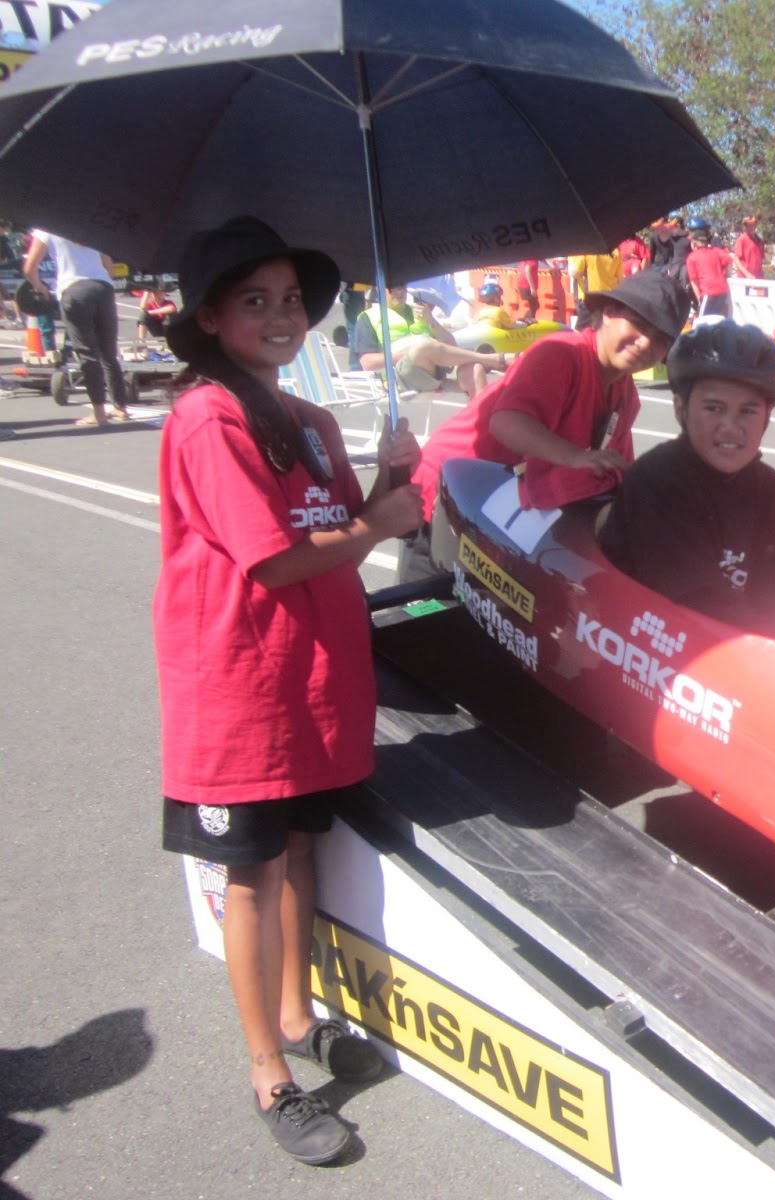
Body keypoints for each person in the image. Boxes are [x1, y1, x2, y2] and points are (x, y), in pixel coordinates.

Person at [153, 215, 424, 1164]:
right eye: (254, 300)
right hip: (242, 688)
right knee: (254, 875)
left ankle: (299, 1015)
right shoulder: (208, 417)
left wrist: (390, 480)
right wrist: (380, 524)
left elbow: (340, 528)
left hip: (313, 680)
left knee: (302, 851)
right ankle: (269, 1071)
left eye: (293, 300)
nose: (281, 316)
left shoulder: (310, 422)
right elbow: (272, 560)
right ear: (209, 317)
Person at [399, 270, 692, 582]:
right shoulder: (561, 352)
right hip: (448, 493)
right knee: (428, 605)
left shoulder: (626, 394)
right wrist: (575, 457)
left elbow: (617, 471)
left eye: (661, 339)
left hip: (500, 511)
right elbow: (506, 422)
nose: (646, 342)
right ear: (607, 313)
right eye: (639, 324)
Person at [598, 320, 775, 637]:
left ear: (766, 417)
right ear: (680, 409)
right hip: (653, 639)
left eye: (748, 411)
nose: (731, 428)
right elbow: (698, 602)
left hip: (744, 639)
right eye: (714, 408)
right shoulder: (656, 481)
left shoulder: (770, 490)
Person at [22, 229, 131, 426]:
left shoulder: (46, 227)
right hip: (103, 288)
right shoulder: (86, 224)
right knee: (109, 352)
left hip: (74, 290)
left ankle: (99, 413)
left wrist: (41, 289)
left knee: (87, 354)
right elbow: (109, 266)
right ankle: (120, 407)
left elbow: (29, 269)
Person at [352, 284, 507, 400]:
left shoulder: (419, 311)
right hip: (400, 377)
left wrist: (431, 321)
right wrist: (409, 354)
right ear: (380, 289)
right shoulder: (369, 317)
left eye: (403, 287)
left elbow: (451, 345)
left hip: (434, 372)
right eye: (393, 288)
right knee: (424, 346)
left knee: (474, 369)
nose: (400, 292)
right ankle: (492, 359)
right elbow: (367, 363)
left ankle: (480, 424)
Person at [684, 217, 746, 318]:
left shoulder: (691, 258)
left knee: (703, 321)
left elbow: (694, 282)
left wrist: (699, 298)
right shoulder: (716, 251)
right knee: (716, 318)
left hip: (708, 292)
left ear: (694, 243)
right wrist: (727, 275)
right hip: (722, 290)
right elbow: (730, 260)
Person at [135, 286, 178, 357]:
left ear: (164, 293)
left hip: (170, 334)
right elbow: (142, 308)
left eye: (160, 292)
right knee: (143, 315)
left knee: (169, 316)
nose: (158, 295)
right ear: (151, 294)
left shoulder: (169, 303)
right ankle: (142, 344)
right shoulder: (150, 304)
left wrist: (151, 312)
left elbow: (171, 309)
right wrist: (146, 293)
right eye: (155, 293)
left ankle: (169, 345)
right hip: (158, 332)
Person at [733, 215, 766, 280]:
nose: (750, 227)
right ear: (744, 227)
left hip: (758, 278)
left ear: (755, 225)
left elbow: (761, 260)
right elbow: (736, 258)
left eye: (752, 224)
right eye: (747, 225)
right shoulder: (741, 239)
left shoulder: (760, 241)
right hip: (745, 278)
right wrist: (747, 274)